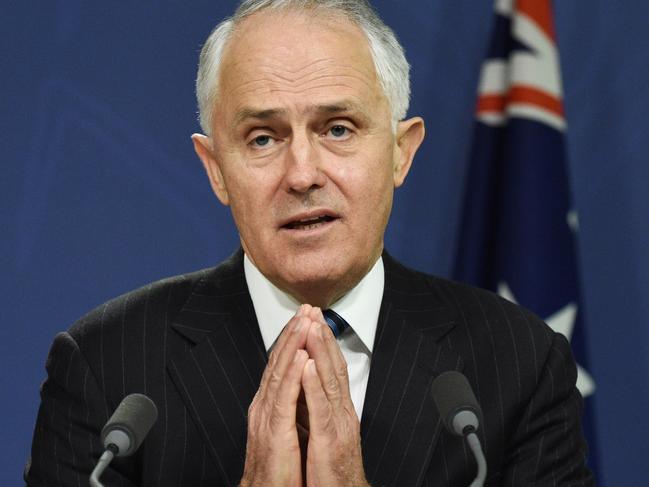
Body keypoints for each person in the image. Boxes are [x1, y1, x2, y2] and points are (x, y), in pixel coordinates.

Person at [25, 0, 594, 485]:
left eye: (338, 129)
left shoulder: (520, 365)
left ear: (402, 150)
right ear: (215, 168)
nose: (302, 174)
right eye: (263, 137)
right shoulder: (106, 369)